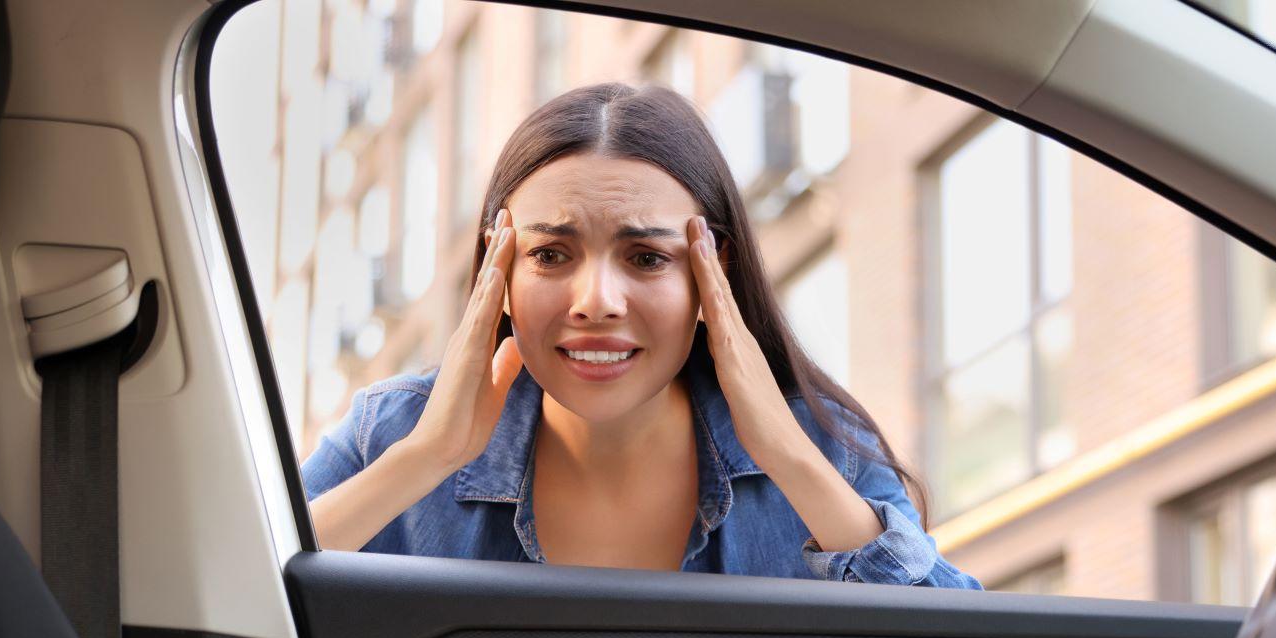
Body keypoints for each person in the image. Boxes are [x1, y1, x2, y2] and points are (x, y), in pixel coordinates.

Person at [302, 81, 981, 588]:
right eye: (550, 254)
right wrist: (425, 458)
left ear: (711, 276)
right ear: (498, 270)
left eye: (647, 258)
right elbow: (218, 606)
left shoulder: (822, 447)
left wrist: (789, 456)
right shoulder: (387, 434)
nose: (596, 301)